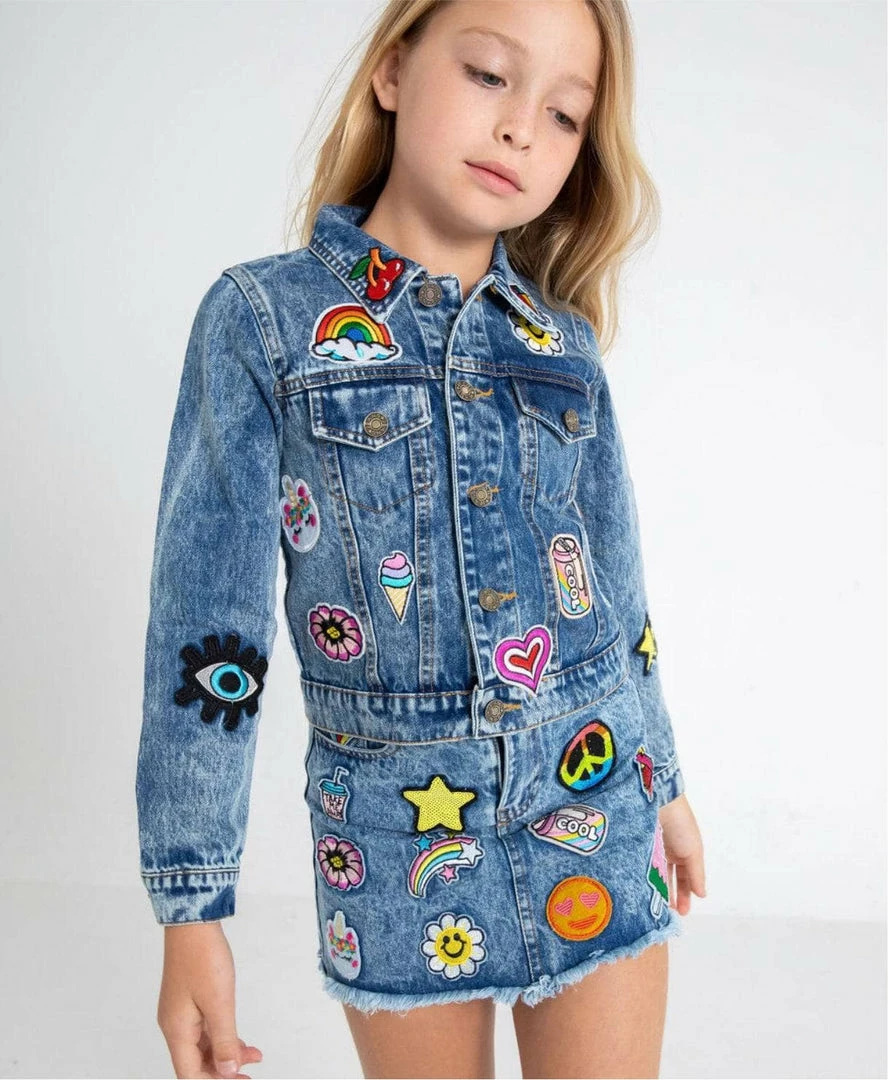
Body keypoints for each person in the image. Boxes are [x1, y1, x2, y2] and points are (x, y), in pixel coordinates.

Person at [135, 1, 706, 1076]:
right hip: (391, 838)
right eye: (490, 74)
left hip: (595, 791)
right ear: (393, 70)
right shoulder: (262, 323)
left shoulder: (560, 343)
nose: (521, 128)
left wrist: (664, 779)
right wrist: (190, 907)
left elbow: (616, 590)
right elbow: (208, 636)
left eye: (566, 114)